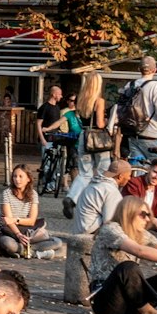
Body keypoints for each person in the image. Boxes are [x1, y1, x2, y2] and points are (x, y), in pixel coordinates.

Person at [87, 196, 157, 314]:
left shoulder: (141, 233)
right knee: (128, 267)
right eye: (143, 215)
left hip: (131, 301)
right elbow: (139, 251)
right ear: (129, 212)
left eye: (149, 215)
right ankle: (147, 312)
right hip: (106, 302)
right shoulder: (110, 229)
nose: (148, 219)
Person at [112, 57, 157, 166]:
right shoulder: (156, 86)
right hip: (152, 135)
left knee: (138, 171)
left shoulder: (130, 85)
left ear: (139, 69)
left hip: (132, 134)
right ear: (155, 70)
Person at [65, 72, 108, 211]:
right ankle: (98, 202)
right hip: (97, 137)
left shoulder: (80, 99)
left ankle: (72, 197)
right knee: (103, 170)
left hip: (84, 135)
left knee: (84, 172)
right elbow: (100, 123)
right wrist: (107, 121)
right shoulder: (99, 101)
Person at [0, 164, 47, 259]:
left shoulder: (33, 194)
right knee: (7, 243)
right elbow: (8, 221)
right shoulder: (7, 193)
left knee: (55, 241)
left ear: (28, 179)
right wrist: (18, 235)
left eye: (21, 176)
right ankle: (34, 253)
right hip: (9, 232)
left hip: (27, 232)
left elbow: (32, 221)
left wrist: (15, 220)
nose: (17, 179)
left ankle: (24, 250)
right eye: (15, 176)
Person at [74, 159, 132, 235]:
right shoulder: (111, 191)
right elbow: (110, 222)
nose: (129, 178)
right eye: (129, 176)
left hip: (79, 229)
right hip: (90, 232)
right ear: (120, 177)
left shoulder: (94, 183)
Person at [123, 156, 157, 239]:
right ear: (149, 169)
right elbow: (133, 208)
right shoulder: (134, 183)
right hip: (132, 223)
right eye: (155, 172)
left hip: (148, 226)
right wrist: (153, 220)